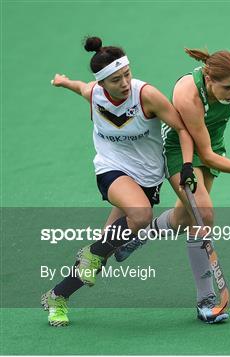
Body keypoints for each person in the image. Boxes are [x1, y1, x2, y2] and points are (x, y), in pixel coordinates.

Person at [115, 48, 230, 323]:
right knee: (204, 214)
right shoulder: (189, 96)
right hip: (180, 149)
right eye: (227, 88)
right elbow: (206, 154)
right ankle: (206, 301)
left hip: (212, 142)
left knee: (184, 217)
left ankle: (140, 236)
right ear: (209, 78)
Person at [41, 36, 196, 327]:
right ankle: (90, 254)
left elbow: (182, 128)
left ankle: (57, 296)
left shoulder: (146, 95)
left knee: (105, 250)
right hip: (111, 169)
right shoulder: (95, 94)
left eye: (126, 74)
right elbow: (81, 88)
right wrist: (64, 82)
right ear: (102, 84)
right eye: (115, 79)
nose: (124, 83)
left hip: (147, 178)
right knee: (140, 214)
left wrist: (187, 165)